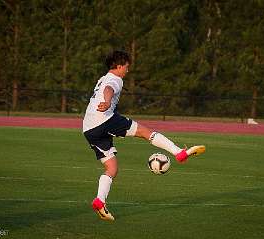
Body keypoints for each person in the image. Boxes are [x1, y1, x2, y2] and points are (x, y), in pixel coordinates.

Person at [82, 50, 205, 221]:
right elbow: (109, 90)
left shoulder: (102, 78)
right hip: (105, 119)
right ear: (118, 66)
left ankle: (99, 201)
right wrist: (108, 101)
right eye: (126, 67)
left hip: (88, 128)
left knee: (112, 168)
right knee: (145, 132)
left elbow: (105, 88)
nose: (127, 70)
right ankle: (179, 153)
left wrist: (107, 102)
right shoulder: (115, 79)